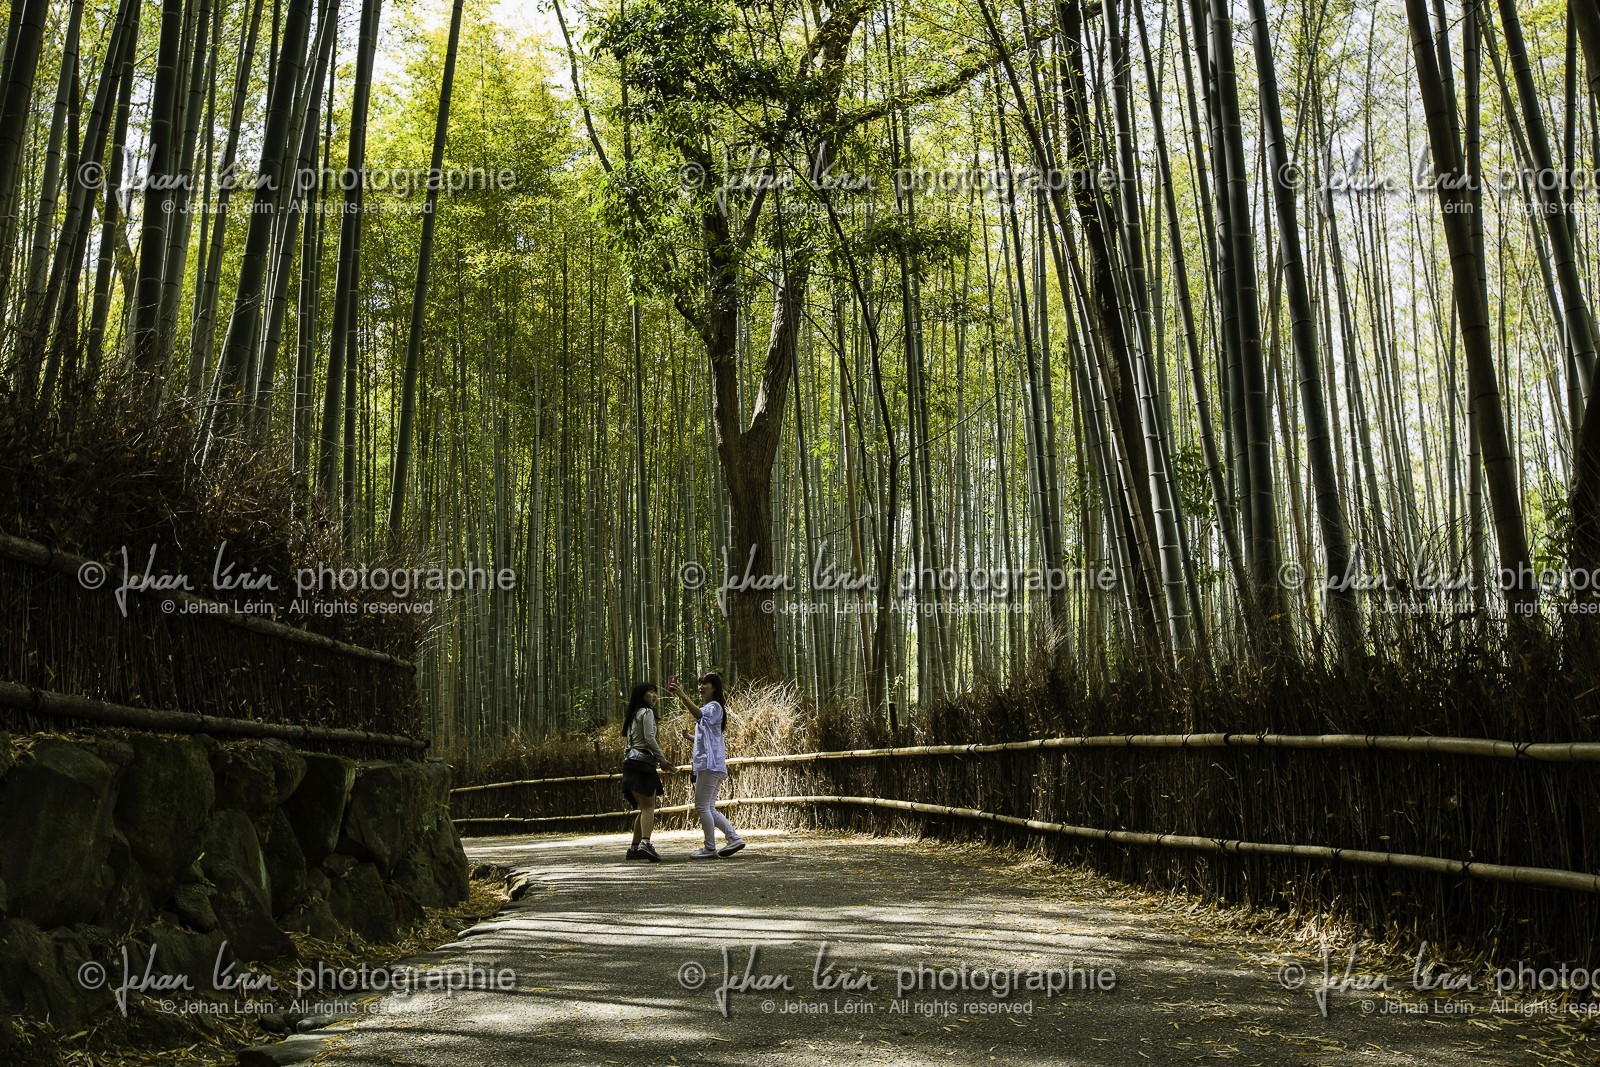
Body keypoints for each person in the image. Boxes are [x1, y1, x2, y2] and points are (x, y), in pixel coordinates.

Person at [668, 672, 745, 859]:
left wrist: (682, 695)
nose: (701, 687)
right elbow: (708, 739)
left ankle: (710, 847)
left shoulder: (715, 706)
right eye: (700, 684)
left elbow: (699, 714)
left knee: (702, 806)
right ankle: (733, 838)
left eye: (706, 684)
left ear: (715, 687)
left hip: (710, 766)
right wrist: (691, 738)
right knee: (708, 807)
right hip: (713, 765)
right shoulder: (711, 709)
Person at [620, 682, 675, 862]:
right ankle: (645, 843)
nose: (654, 695)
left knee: (644, 808)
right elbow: (650, 739)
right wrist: (663, 760)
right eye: (650, 692)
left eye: (655, 692)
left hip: (630, 763)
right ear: (641, 695)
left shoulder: (633, 715)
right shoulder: (646, 712)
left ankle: (634, 848)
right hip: (642, 764)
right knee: (649, 807)